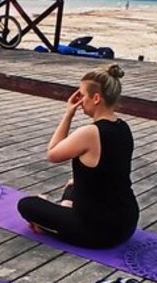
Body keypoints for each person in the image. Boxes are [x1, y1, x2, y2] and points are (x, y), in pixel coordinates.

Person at [17, 65, 139, 248]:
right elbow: (110, 172)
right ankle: (65, 208)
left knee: (27, 205)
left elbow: (52, 154)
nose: (80, 101)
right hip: (127, 223)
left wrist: (68, 114)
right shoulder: (123, 127)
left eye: (82, 95)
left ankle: (50, 225)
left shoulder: (90, 132)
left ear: (96, 98)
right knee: (73, 183)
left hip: (99, 232)